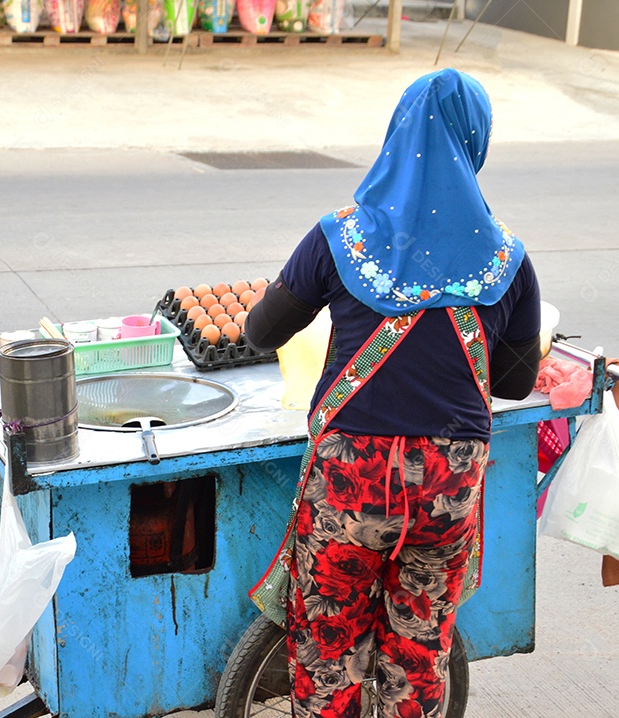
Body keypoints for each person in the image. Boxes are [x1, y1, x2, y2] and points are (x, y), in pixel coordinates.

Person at [244, 69, 542, 718]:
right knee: (419, 652)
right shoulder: (507, 261)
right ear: (474, 142)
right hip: (447, 486)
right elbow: (516, 383)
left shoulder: (338, 237)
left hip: (351, 480)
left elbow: (260, 330)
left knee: (328, 649)